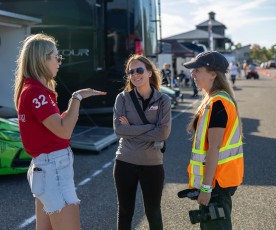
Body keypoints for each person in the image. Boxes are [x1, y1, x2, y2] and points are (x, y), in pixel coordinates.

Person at [13, 33, 106, 230]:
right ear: (42, 59)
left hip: (45, 168)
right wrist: (77, 98)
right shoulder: (36, 92)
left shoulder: (34, 89)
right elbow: (64, 131)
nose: (59, 62)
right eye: (56, 57)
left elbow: (54, 126)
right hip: (52, 169)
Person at [183, 51, 244, 230]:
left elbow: (214, 148)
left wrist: (206, 188)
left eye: (197, 70)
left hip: (217, 182)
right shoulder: (212, 99)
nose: (192, 74)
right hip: (219, 180)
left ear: (213, 74)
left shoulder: (218, 103)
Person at [113, 54, 172, 230]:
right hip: (124, 162)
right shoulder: (122, 98)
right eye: (131, 72)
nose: (135, 74)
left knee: (153, 212)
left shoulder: (163, 100)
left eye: (139, 70)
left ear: (149, 73)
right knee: (125, 212)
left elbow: (163, 132)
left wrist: (132, 129)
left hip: (152, 164)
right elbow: (119, 130)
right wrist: (150, 127)